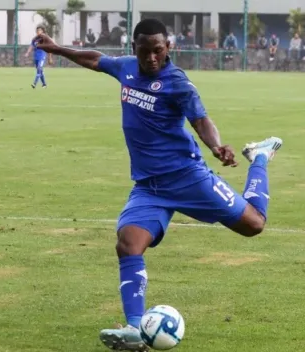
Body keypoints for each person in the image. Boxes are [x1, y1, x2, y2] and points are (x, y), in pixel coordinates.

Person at [35, 18, 282, 352]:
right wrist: (56, 48)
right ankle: (136, 330)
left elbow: (201, 120)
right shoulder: (125, 68)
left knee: (254, 224)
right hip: (149, 187)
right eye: (144, 51)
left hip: (188, 178)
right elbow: (94, 59)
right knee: (128, 245)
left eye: (158, 50)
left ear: (168, 48)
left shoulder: (177, 82)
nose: (151, 57)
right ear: (133, 48)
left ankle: (261, 156)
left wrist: (216, 146)